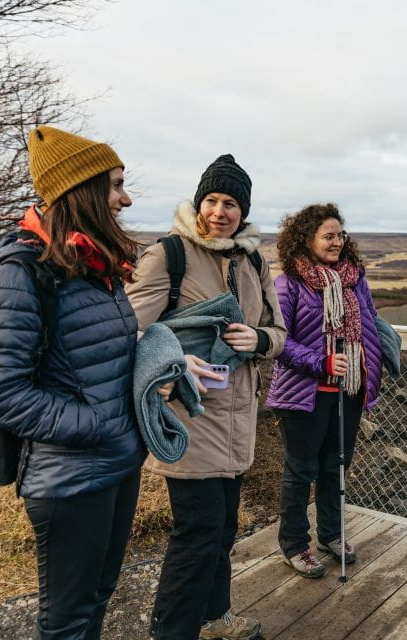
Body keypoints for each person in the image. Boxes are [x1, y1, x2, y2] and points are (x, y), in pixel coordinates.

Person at [0, 125, 144, 639]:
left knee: (100, 596)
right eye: (114, 185)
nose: (125, 198)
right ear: (81, 192)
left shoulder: (93, 265)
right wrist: (95, 424)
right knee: (67, 619)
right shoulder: (22, 270)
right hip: (71, 479)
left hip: (117, 462)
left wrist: (160, 372)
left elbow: (97, 361)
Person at [125, 154, 285, 640]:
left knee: (223, 531)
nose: (220, 211)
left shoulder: (254, 260)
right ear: (199, 203)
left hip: (239, 419)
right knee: (196, 534)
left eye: (231, 202)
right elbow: (128, 331)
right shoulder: (168, 255)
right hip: (190, 416)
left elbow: (277, 331)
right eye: (212, 200)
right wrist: (172, 358)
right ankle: (172, 631)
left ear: (244, 210)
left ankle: (215, 620)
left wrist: (257, 341)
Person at [265, 203, 384, 578]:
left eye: (340, 235)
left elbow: (371, 323)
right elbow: (278, 341)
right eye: (328, 236)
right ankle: (295, 545)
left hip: (347, 390)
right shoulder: (288, 284)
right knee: (301, 471)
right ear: (307, 239)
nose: (337, 242)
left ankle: (332, 535)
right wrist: (322, 362)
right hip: (303, 393)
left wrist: (368, 367)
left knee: (336, 467)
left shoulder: (355, 280)